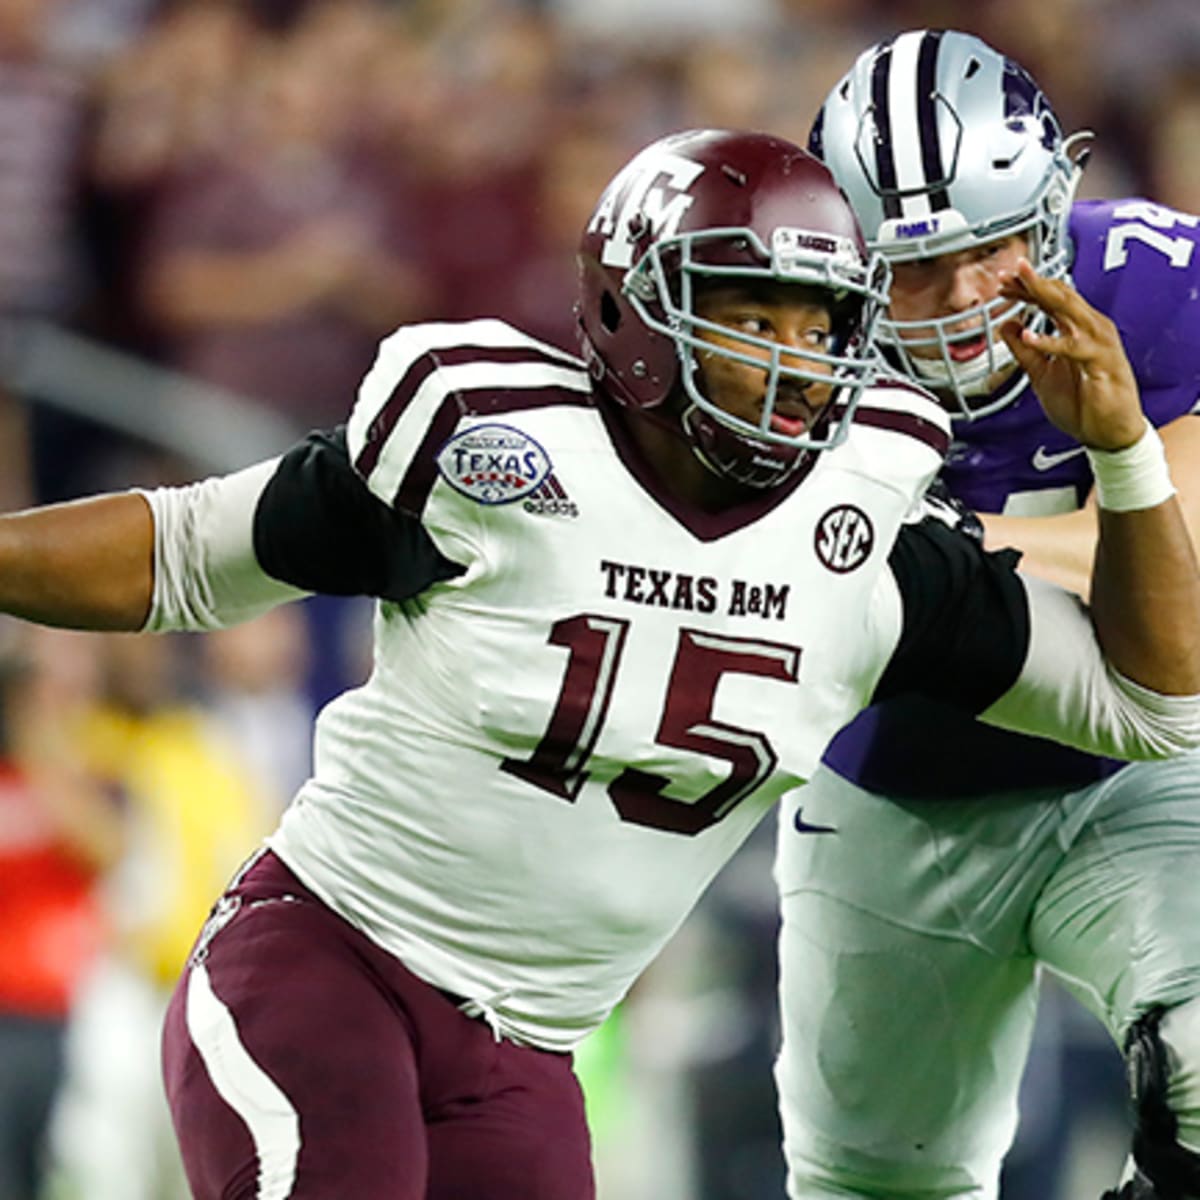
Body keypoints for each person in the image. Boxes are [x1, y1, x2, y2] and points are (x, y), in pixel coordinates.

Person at [0, 127, 1198, 1200]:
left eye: (821, 323)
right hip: (327, 961)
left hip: (529, 1049)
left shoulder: (873, 533)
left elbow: (1153, 701)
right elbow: (181, 553)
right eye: (751, 314)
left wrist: (1128, 458)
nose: (795, 359)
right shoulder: (498, 447)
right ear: (641, 310)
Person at [777, 29, 1200, 1200]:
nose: (961, 298)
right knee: (876, 1183)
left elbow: (1189, 566)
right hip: (891, 790)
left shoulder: (1162, 284)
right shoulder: (788, 341)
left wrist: (950, 548)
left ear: (1054, 205)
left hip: (1135, 765)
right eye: (913, 270)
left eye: (988, 247)